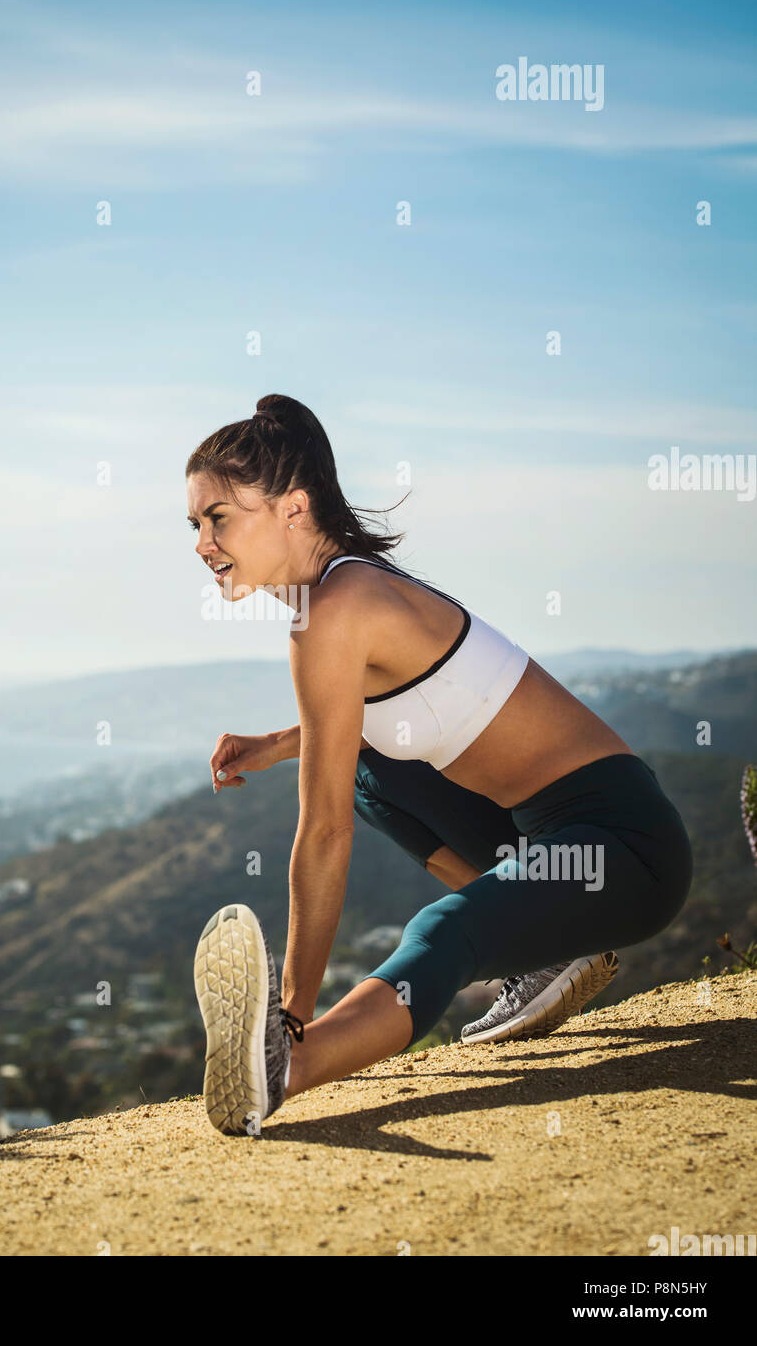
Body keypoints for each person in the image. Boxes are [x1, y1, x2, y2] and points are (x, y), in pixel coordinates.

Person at [186, 395, 693, 1136]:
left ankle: (287, 1064)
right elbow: (380, 718)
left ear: (293, 507)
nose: (202, 542)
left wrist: (290, 1011)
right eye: (195, 525)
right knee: (369, 773)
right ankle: (548, 951)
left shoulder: (333, 608)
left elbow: (323, 833)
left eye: (218, 518)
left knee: (443, 930)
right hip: (546, 836)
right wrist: (278, 744)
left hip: (624, 848)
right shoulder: (341, 591)